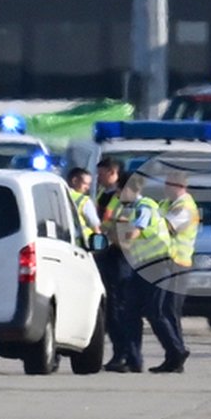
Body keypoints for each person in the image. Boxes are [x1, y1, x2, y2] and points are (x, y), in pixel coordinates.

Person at [107, 172, 179, 373]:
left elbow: (131, 234)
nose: (117, 196)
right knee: (129, 313)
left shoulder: (144, 207)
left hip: (157, 265)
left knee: (156, 313)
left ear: (128, 190)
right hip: (142, 267)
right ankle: (134, 360)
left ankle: (176, 352)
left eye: (119, 191)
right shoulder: (128, 208)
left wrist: (118, 233)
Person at [155, 170, 199, 373]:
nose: (165, 188)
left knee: (168, 311)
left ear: (180, 186)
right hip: (168, 263)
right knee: (166, 311)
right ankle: (174, 356)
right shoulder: (168, 204)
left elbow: (166, 227)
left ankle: (177, 353)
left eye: (169, 184)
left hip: (178, 264)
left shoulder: (185, 207)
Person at [94, 157, 125, 367]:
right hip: (104, 253)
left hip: (118, 256)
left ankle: (121, 354)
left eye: (102, 172)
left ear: (113, 172)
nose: (98, 177)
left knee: (116, 309)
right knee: (107, 308)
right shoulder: (103, 193)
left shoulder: (120, 197)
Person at [66, 166, 101, 242]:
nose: (87, 188)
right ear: (74, 181)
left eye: (89, 184)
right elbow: (95, 225)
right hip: (83, 243)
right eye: (85, 184)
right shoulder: (84, 200)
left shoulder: (59, 195)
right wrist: (99, 243)